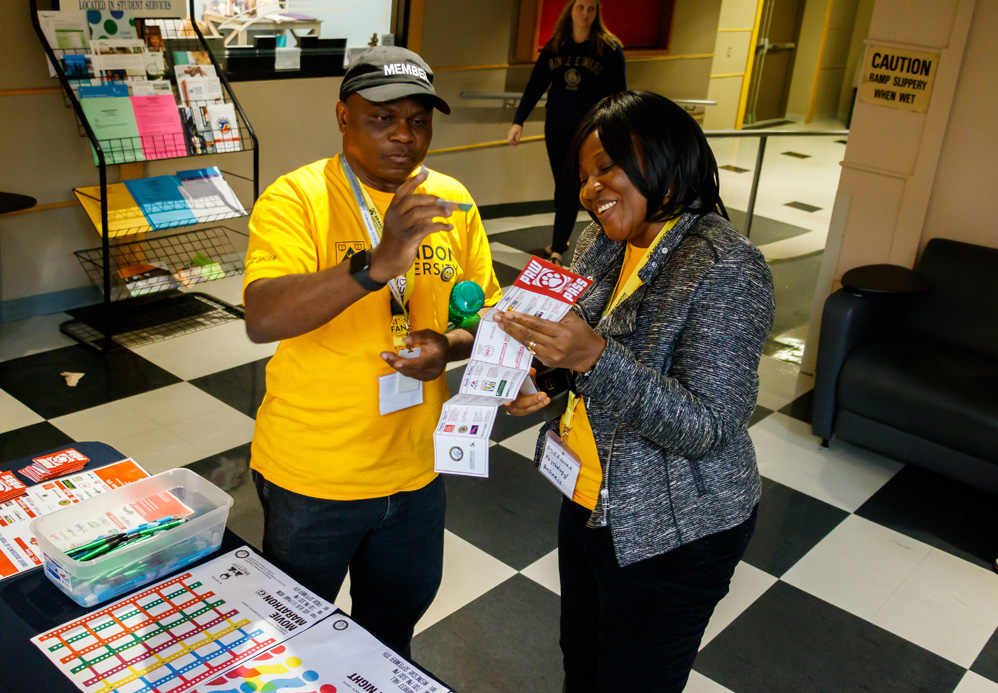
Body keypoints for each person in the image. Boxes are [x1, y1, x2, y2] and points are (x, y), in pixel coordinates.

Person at [495, 90, 775, 691]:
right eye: (582, 176)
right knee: (583, 661)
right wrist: (540, 376)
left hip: (674, 528)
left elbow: (708, 425)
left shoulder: (725, 265)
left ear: (663, 158)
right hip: (589, 500)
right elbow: (575, 337)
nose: (590, 190)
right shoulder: (602, 239)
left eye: (605, 168)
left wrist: (592, 358)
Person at [242, 46, 502, 656]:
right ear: (342, 116)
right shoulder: (296, 197)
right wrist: (375, 266)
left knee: (389, 636)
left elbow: (482, 311)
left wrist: (449, 344)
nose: (404, 137)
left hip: (416, 470)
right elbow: (262, 317)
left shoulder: (452, 199)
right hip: (314, 475)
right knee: (294, 643)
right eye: (382, 119)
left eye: (418, 120)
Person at [507, 0, 625, 266]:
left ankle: (558, 249)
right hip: (556, 128)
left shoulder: (609, 48)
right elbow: (535, 85)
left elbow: (620, 94)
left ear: (597, 13)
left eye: (591, 8)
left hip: (588, 135)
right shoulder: (555, 46)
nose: (585, 13)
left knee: (570, 188)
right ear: (570, 10)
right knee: (564, 187)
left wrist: (615, 131)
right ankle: (570, 238)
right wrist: (518, 121)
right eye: (580, 7)